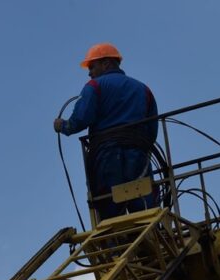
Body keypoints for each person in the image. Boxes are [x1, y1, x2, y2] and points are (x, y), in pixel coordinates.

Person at [54, 43, 159, 220]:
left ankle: (114, 243)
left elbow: (80, 120)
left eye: (92, 66)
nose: (89, 72)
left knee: (110, 211)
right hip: (138, 155)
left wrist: (62, 126)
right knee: (144, 208)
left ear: (107, 64)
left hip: (107, 156)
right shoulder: (143, 89)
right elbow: (152, 129)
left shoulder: (94, 86)